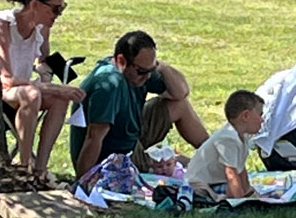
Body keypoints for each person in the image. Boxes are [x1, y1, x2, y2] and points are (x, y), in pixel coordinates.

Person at [70, 30, 209, 177]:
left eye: (151, 70)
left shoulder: (137, 72)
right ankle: (213, 168)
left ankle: (213, 155)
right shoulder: (108, 86)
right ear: (121, 61)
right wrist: (83, 182)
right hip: (116, 158)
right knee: (175, 164)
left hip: (131, 135)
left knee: (179, 105)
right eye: (142, 71)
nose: (148, 76)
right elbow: (94, 138)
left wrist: (160, 66)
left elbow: (181, 92)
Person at [0, 0, 84, 178]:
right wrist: (48, 87)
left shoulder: (41, 29)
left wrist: (47, 74)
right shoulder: (3, 24)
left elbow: (42, 62)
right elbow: (5, 79)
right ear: (35, 4)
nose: (58, 14)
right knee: (33, 94)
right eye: (55, 8)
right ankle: (22, 166)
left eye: (62, 8)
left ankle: (40, 169)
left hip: (22, 90)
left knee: (61, 99)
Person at [186, 90, 264, 200]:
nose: (262, 120)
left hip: (216, 181)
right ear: (245, 115)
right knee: (222, 192)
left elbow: (240, 170)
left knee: (237, 188)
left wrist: (248, 192)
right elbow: (231, 173)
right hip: (200, 184)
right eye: (260, 115)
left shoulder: (243, 136)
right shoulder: (228, 138)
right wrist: (240, 201)